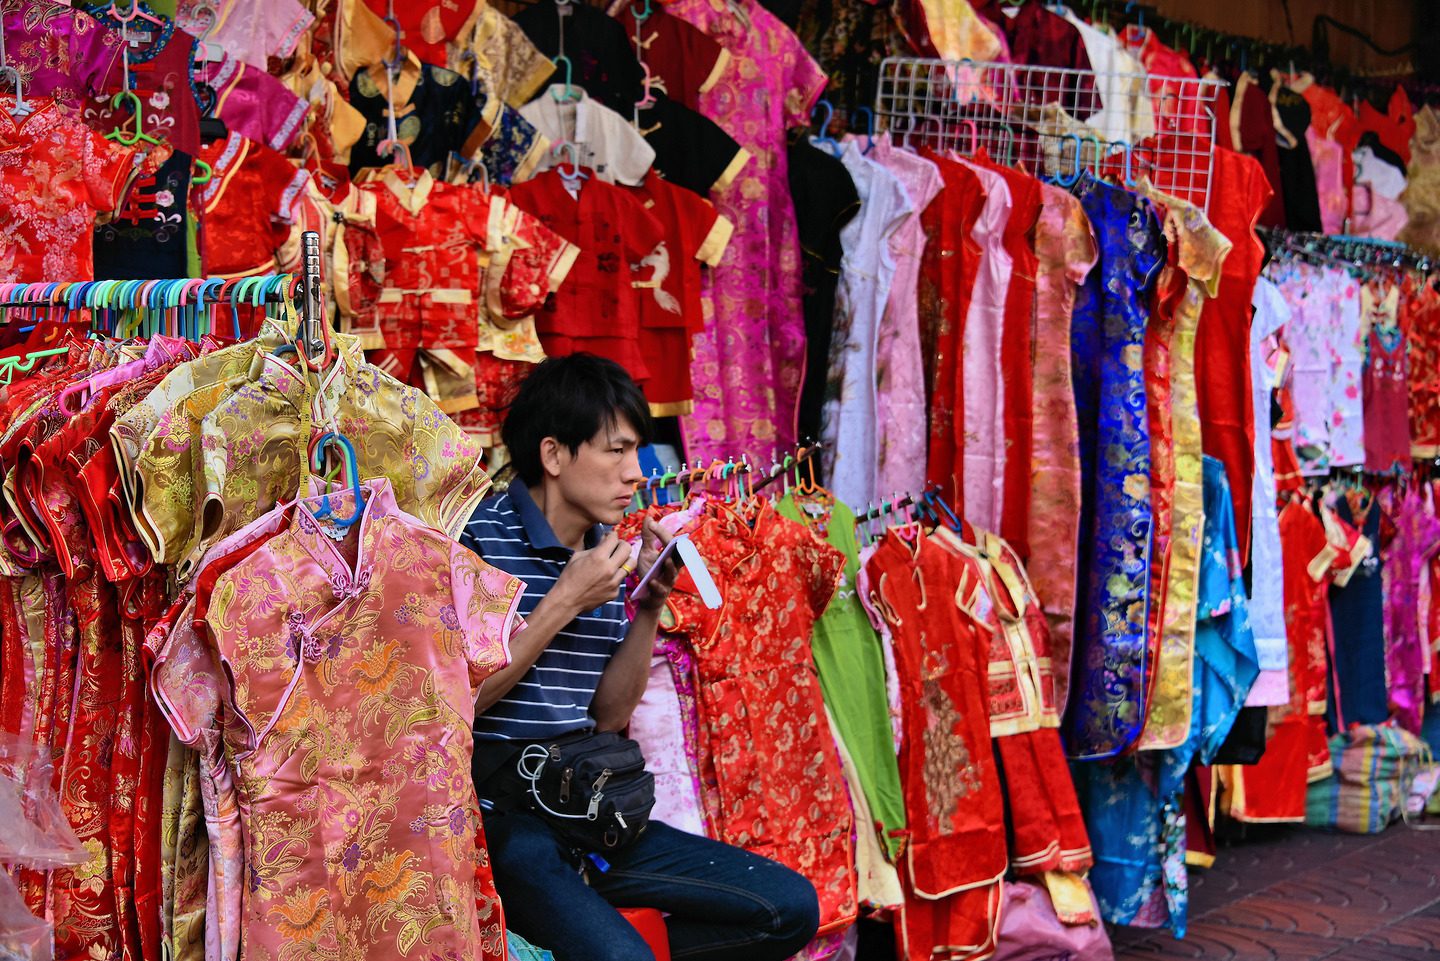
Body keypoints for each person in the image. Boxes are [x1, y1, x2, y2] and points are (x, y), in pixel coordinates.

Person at [462, 354, 820, 961]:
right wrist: (563, 602)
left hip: (588, 805)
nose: (636, 473)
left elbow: (607, 715)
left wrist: (647, 607)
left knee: (789, 910)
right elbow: (457, 699)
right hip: (499, 820)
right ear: (553, 455)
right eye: (616, 452)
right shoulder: (475, 539)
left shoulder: (606, 551)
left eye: (637, 452)